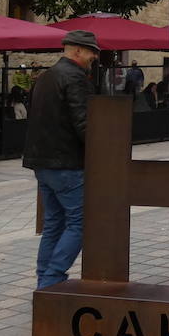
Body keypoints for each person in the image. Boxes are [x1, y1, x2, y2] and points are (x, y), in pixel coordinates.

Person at [24, 29, 100, 289]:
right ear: (77, 50)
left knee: (54, 223)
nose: (95, 57)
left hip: (43, 162)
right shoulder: (75, 78)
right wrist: (104, 153)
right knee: (82, 222)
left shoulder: (46, 76)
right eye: (92, 51)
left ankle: (44, 280)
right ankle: (51, 279)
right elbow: (84, 123)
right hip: (66, 164)